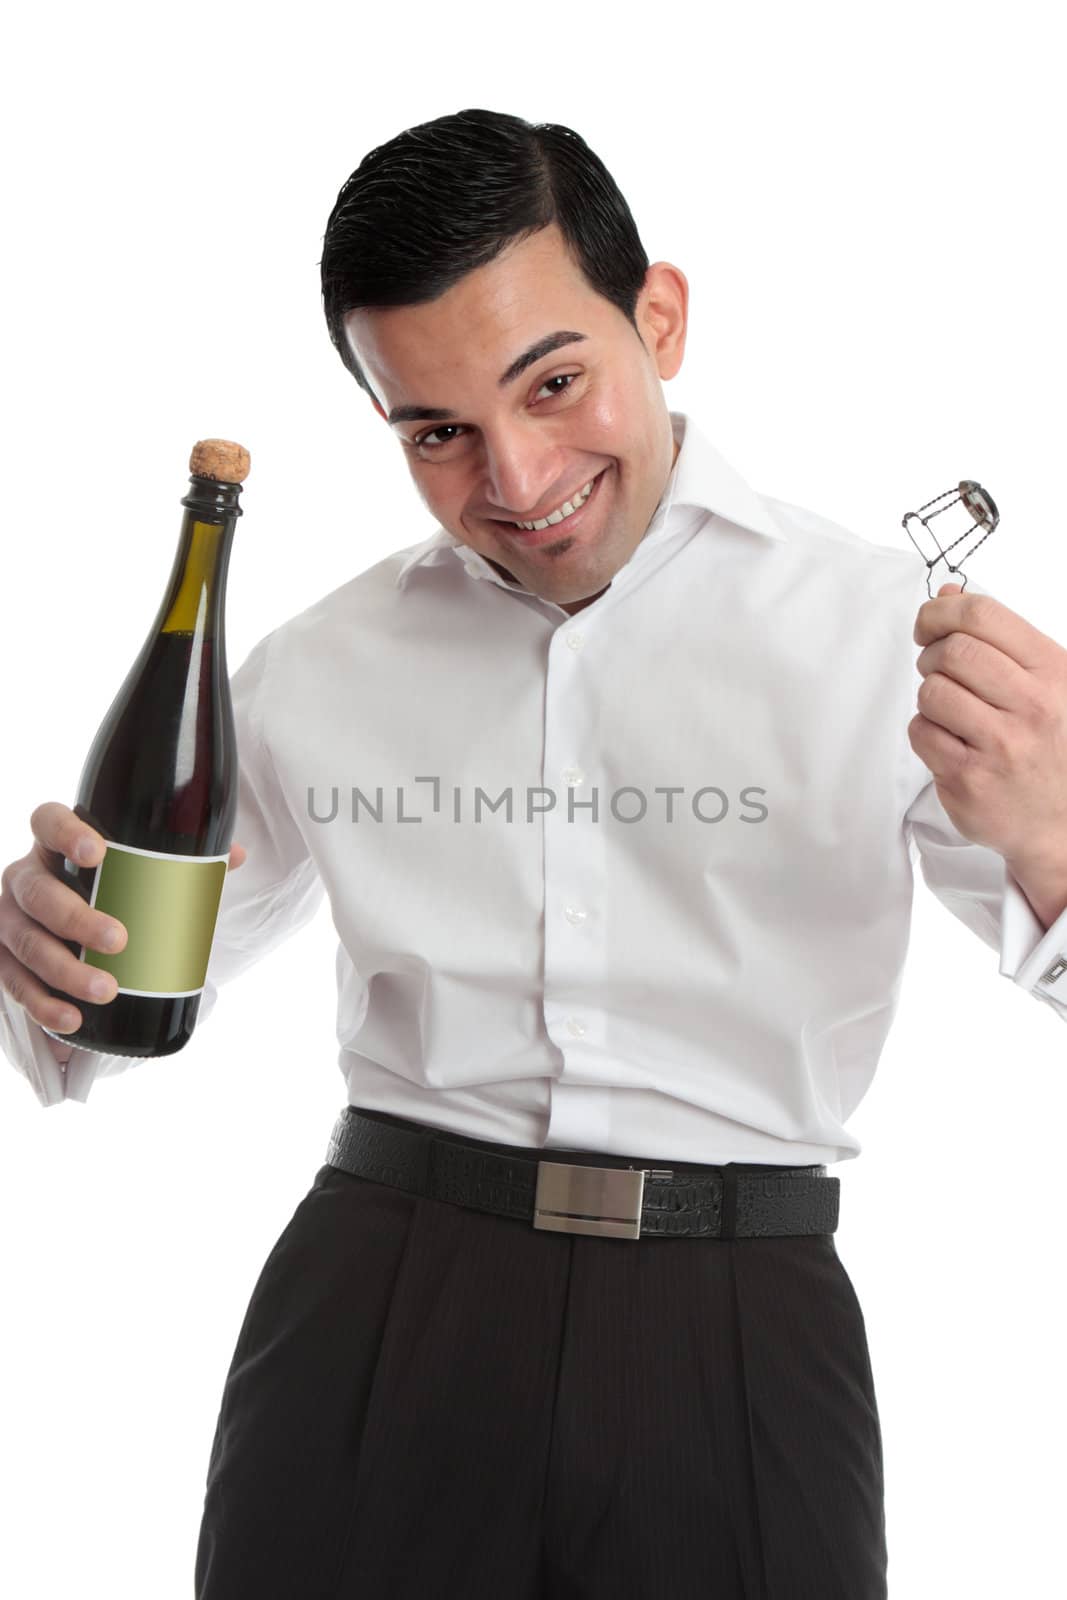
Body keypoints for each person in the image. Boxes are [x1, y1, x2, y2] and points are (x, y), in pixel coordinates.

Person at [2, 107, 1067, 1599]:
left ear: (661, 318)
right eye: (436, 430)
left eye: (554, 383)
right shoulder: (320, 666)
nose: (514, 477)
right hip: (375, 1315)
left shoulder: (887, 634)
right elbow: (105, 1019)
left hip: (743, 1333)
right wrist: (41, 952)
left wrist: (1059, 838)